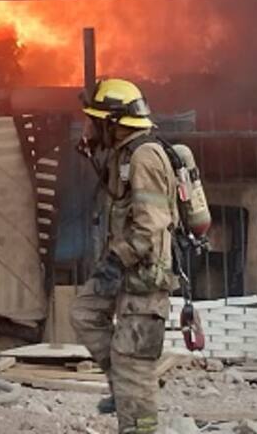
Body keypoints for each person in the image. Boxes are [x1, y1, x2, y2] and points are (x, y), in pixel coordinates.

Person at [70, 78, 182, 434]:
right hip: (127, 271)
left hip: (144, 279)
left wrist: (115, 262)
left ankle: (140, 425)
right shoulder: (125, 153)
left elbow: (150, 227)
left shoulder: (145, 156)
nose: (91, 126)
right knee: (85, 312)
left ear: (115, 123)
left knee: (135, 364)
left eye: (97, 121)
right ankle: (121, 388)